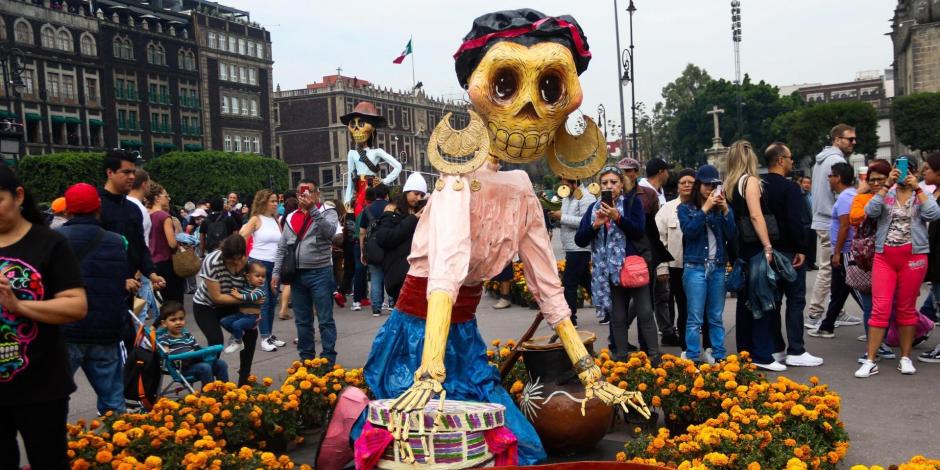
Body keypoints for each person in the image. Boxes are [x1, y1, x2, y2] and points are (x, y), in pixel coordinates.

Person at [0, 166, 87, 469]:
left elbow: (76, 306)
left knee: (48, 460)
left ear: (18, 196)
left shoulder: (49, 243)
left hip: (40, 384)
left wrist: (19, 306)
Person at [856, 155, 940, 377]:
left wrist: (918, 190)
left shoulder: (922, 194)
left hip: (913, 258)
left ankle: (905, 357)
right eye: (899, 168)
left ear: (915, 173)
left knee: (906, 309)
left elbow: (934, 213)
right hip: (885, 257)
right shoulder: (887, 192)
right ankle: (870, 359)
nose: (903, 173)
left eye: (908, 170)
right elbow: (870, 212)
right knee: (880, 307)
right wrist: (885, 186)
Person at [58, 183, 130, 416]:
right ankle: (117, 446)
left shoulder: (53, 240)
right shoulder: (118, 241)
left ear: (67, 211)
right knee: (113, 403)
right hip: (106, 331)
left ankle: (57, 448)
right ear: (98, 209)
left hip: (66, 330)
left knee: (56, 398)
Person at [576, 165, 660, 363]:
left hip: (632, 268)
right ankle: (620, 357)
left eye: (613, 182)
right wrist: (595, 225)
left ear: (622, 184)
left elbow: (639, 231)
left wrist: (618, 218)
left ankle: (655, 357)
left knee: (645, 313)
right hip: (607, 271)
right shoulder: (593, 209)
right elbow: (580, 239)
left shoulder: (632, 204)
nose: (609, 186)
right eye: (604, 183)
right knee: (618, 317)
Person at [725, 140, 787, 371]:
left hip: (740, 247)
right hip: (755, 247)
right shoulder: (750, 181)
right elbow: (756, 215)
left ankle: (746, 350)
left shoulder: (729, 184)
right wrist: (768, 245)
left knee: (746, 302)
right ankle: (761, 353)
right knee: (762, 299)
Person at [762, 143, 823, 367]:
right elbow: (796, 220)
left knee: (773, 301)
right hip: (789, 251)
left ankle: (776, 347)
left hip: (767, 250)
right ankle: (796, 349)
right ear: (780, 160)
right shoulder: (790, 188)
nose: (792, 162)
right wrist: (802, 249)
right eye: (789, 157)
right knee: (795, 300)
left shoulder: (758, 186)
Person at [272, 180, 339, 365]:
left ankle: (327, 359)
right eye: (301, 192)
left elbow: (331, 232)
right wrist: (276, 272)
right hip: (297, 274)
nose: (305, 195)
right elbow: (282, 247)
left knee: (325, 319)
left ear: (316, 194)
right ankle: (307, 360)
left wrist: (313, 211)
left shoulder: (327, 211)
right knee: (302, 321)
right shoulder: (291, 216)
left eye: (309, 192)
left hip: (320, 272)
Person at [678, 164, 735, 363]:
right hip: (695, 267)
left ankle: (719, 355)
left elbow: (732, 234)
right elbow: (690, 231)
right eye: (705, 184)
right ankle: (693, 356)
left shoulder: (721, 209)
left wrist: (726, 209)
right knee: (694, 318)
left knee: (716, 317)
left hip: (718, 266)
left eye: (714, 185)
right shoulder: (685, 208)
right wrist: (705, 209)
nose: (710, 189)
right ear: (698, 185)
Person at [98, 151, 163, 324]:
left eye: (133, 172)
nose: (132, 177)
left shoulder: (133, 209)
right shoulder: (97, 206)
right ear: (110, 173)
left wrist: (151, 272)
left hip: (131, 287)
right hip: (104, 288)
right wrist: (119, 279)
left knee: (130, 332)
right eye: (126, 172)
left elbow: (140, 245)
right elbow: (94, 252)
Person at [809, 124, 862, 327]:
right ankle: (815, 313)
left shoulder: (821, 160)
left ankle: (836, 311)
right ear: (837, 139)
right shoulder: (837, 161)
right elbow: (840, 194)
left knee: (835, 270)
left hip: (823, 217)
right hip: (832, 219)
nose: (853, 142)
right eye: (850, 139)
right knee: (829, 268)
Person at [657, 168, 710, 356]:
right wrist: (662, 268)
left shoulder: (706, 206)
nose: (687, 185)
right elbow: (659, 240)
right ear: (677, 186)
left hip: (704, 265)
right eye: (683, 182)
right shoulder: (668, 209)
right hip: (677, 266)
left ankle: (708, 347)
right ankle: (687, 349)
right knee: (684, 308)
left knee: (706, 310)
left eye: (691, 182)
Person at [192, 234, 257, 385]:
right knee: (216, 341)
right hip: (206, 305)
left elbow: (253, 292)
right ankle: (209, 384)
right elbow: (217, 297)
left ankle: (245, 379)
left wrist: (253, 312)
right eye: (231, 260)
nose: (235, 264)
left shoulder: (249, 263)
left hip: (232, 303)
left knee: (251, 332)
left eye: (238, 259)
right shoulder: (212, 261)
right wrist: (247, 299)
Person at [848, 159, 896, 363]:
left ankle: (890, 340)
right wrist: (875, 196)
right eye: (872, 180)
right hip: (869, 257)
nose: (876, 183)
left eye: (881, 179)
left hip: (894, 254)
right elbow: (855, 217)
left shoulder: (899, 196)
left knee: (894, 303)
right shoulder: (862, 198)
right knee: (870, 304)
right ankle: (875, 345)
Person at [239, 189, 285, 352]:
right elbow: (241, 236)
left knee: (273, 301)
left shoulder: (275, 220)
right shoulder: (255, 219)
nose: (275, 204)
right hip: (258, 263)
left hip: (274, 264)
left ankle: (269, 334)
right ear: (263, 202)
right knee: (264, 301)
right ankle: (264, 337)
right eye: (272, 201)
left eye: (276, 201)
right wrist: (242, 260)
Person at [549, 178, 596, 327]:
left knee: (569, 283)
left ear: (574, 183)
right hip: (570, 246)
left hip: (580, 246)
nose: (563, 187)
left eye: (566, 184)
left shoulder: (586, 196)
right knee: (586, 280)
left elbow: (586, 222)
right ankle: (608, 310)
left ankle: (571, 319)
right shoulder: (567, 197)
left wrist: (561, 217)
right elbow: (565, 220)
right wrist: (555, 218)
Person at [374, 173, 427, 303]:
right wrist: (413, 219)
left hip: (419, 272)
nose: (418, 198)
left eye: (421, 195)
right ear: (406, 192)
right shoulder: (392, 211)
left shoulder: (421, 211)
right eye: (415, 193)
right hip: (399, 274)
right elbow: (385, 238)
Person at [156, 301, 229, 388]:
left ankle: (224, 392)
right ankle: (210, 394)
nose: (178, 322)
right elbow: (165, 352)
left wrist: (207, 352)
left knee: (221, 364)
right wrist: (167, 353)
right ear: (164, 323)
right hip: (183, 369)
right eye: (173, 320)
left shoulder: (187, 335)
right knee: (205, 367)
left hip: (196, 362)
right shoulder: (164, 338)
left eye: (181, 319)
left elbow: (198, 349)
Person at [145, 182, 183, 304]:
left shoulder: (145, 214)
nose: (168, 199)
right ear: (157, 198)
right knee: (174, 301)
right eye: (166, 196)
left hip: (150, 263)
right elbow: (171, 244)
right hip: (166, 263)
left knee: (160, 302)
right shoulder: (163, 216)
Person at [918, 153, 940, 363]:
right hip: (935, 258)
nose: (924, 172)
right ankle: (917, 331)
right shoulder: (935, 192)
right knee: (933, 303)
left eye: (927, 168)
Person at [221, 262, 266, 354]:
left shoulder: (260, 290)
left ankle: (238, 342)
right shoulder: (245, 288)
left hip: (252, 317)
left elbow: (251, 297)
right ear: (248, 277)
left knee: (236, 325)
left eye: (263, 276)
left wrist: (239, 295)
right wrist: (236, 292)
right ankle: (238, 334)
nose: (261, 278)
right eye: (257, 276)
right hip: (240, 314)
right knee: (224, 321)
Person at [360, 183, 390, 316]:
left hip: (373, 247)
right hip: (389, 245)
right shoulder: (390, 208)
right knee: (390, 275)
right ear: (387, 195)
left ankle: (376, 308)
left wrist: (362, 251)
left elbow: (362, 232)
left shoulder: (367, 209)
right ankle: (392, 302)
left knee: (376, 277)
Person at [351, 189, 374, 312]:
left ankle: (360, 298)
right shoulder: (368, 211)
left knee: (361, 271)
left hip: (359, 243)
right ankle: (358, 299)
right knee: (362, 271)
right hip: (364, 243)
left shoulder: (361, 211)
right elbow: (361, 233)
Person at [127, 168, 152, 248]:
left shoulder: (124, 203)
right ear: (144, 184)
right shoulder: (140, 209)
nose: (150, 186)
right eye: (149, 183)